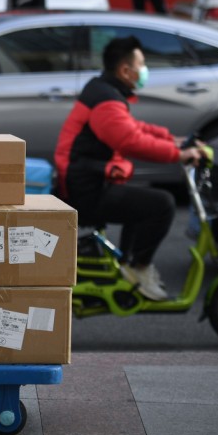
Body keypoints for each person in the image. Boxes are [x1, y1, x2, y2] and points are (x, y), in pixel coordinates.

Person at [54, 36, 203, 301]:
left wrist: (173, 140)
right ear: (125, 70)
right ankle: (138, 269)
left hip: (88, 179)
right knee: (162, 204)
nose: (144, 70)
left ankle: (129, 265)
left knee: (143, 203)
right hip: (85, 189)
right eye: (141, 64)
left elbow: (134, 128)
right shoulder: (106, 101)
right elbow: (130, 141)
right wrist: (179, 155)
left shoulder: (104, 91)